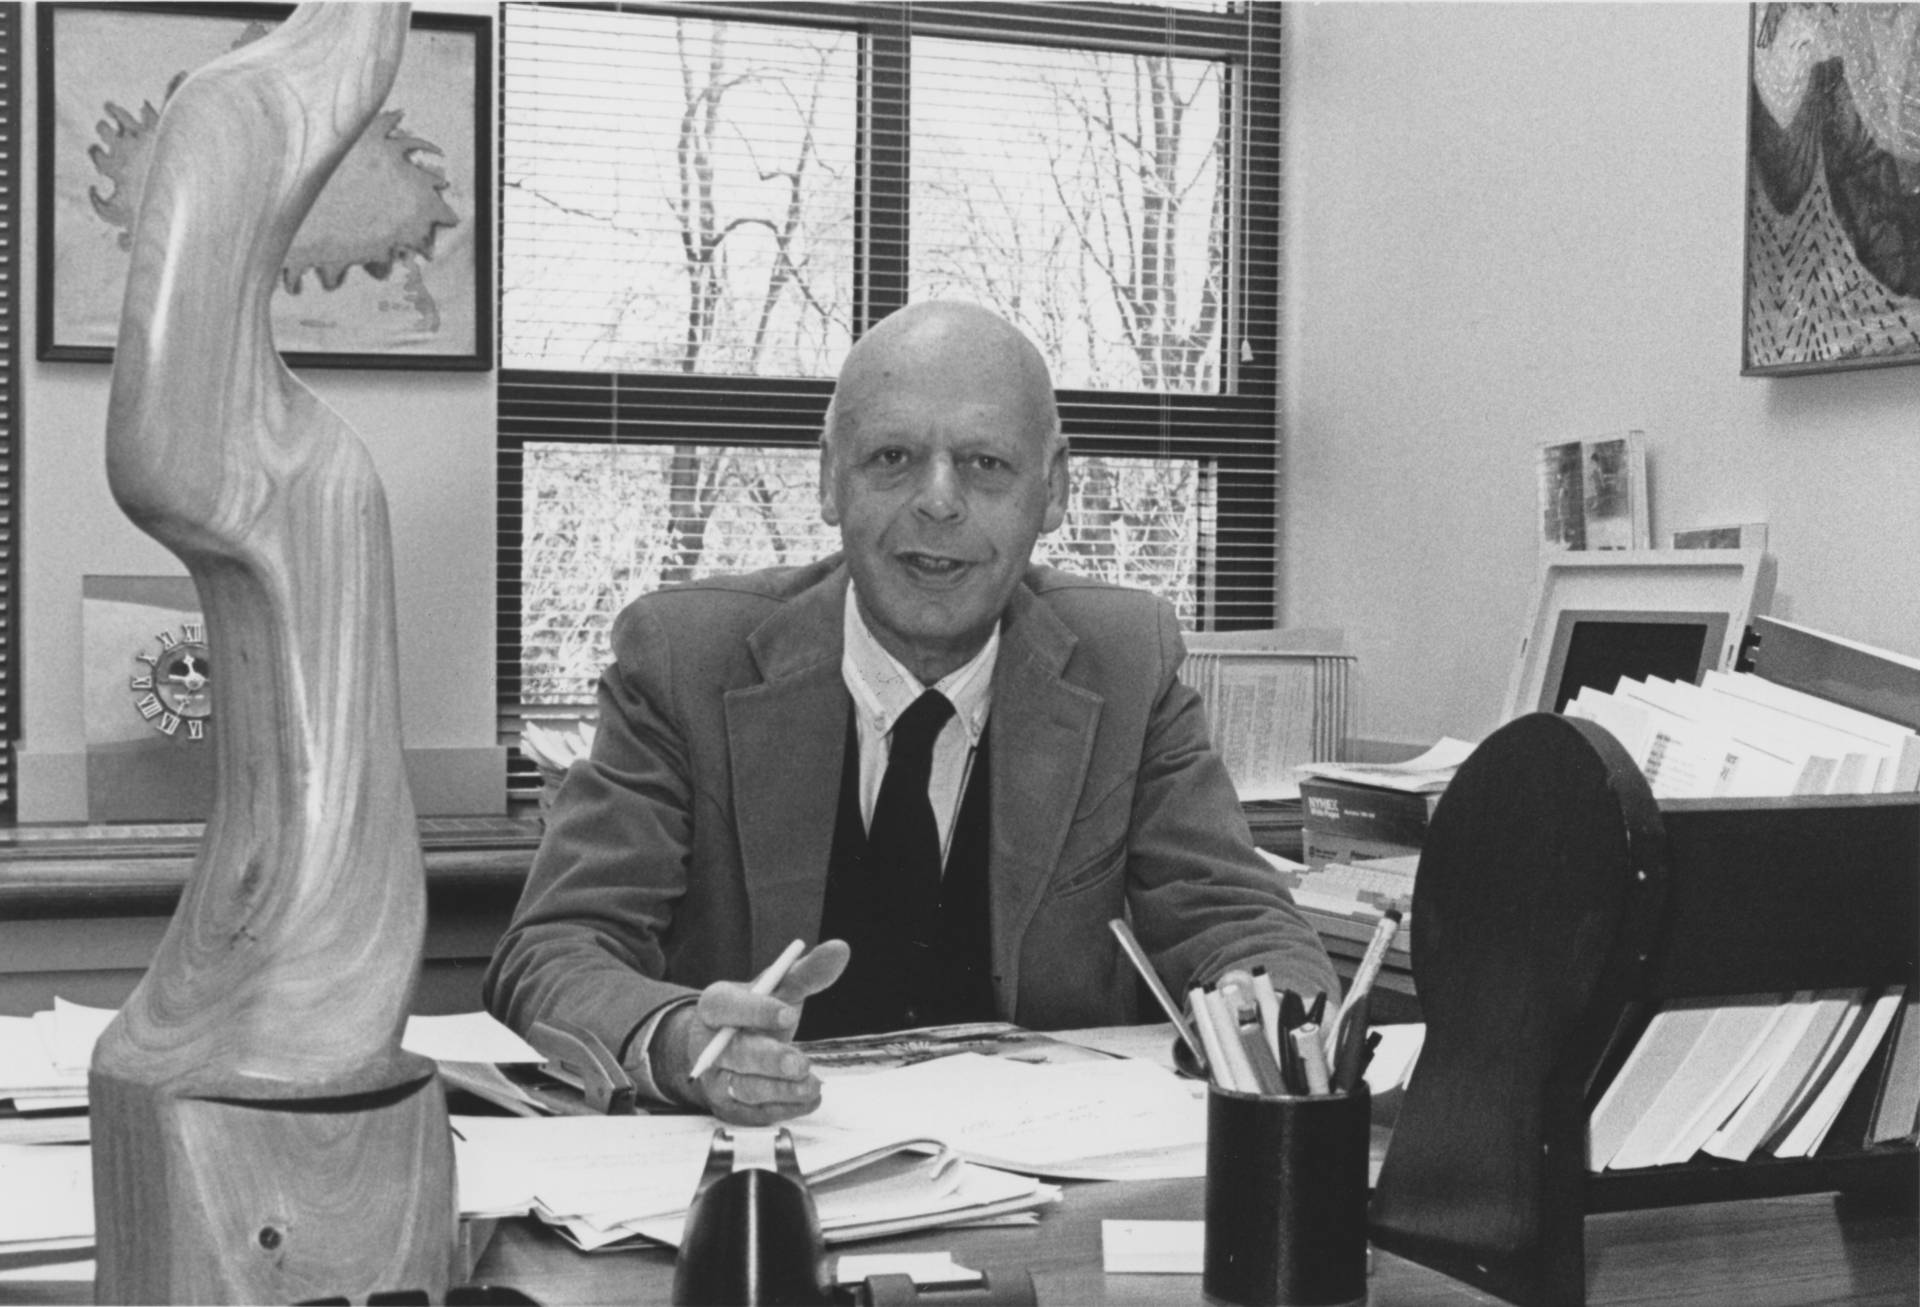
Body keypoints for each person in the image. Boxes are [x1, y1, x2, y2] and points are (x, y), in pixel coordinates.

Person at [484, 301, 1338, 1125]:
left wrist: (1257, 1004)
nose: (938, 501)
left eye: (986, 464)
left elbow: (1243, 924)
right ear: (828, 477)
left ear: (1054, 489)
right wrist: (680, 1041)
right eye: (893, 457)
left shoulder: (1124, 662)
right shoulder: (685, 661)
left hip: (1048, 1197)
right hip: (767, 1185)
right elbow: (555, 949)